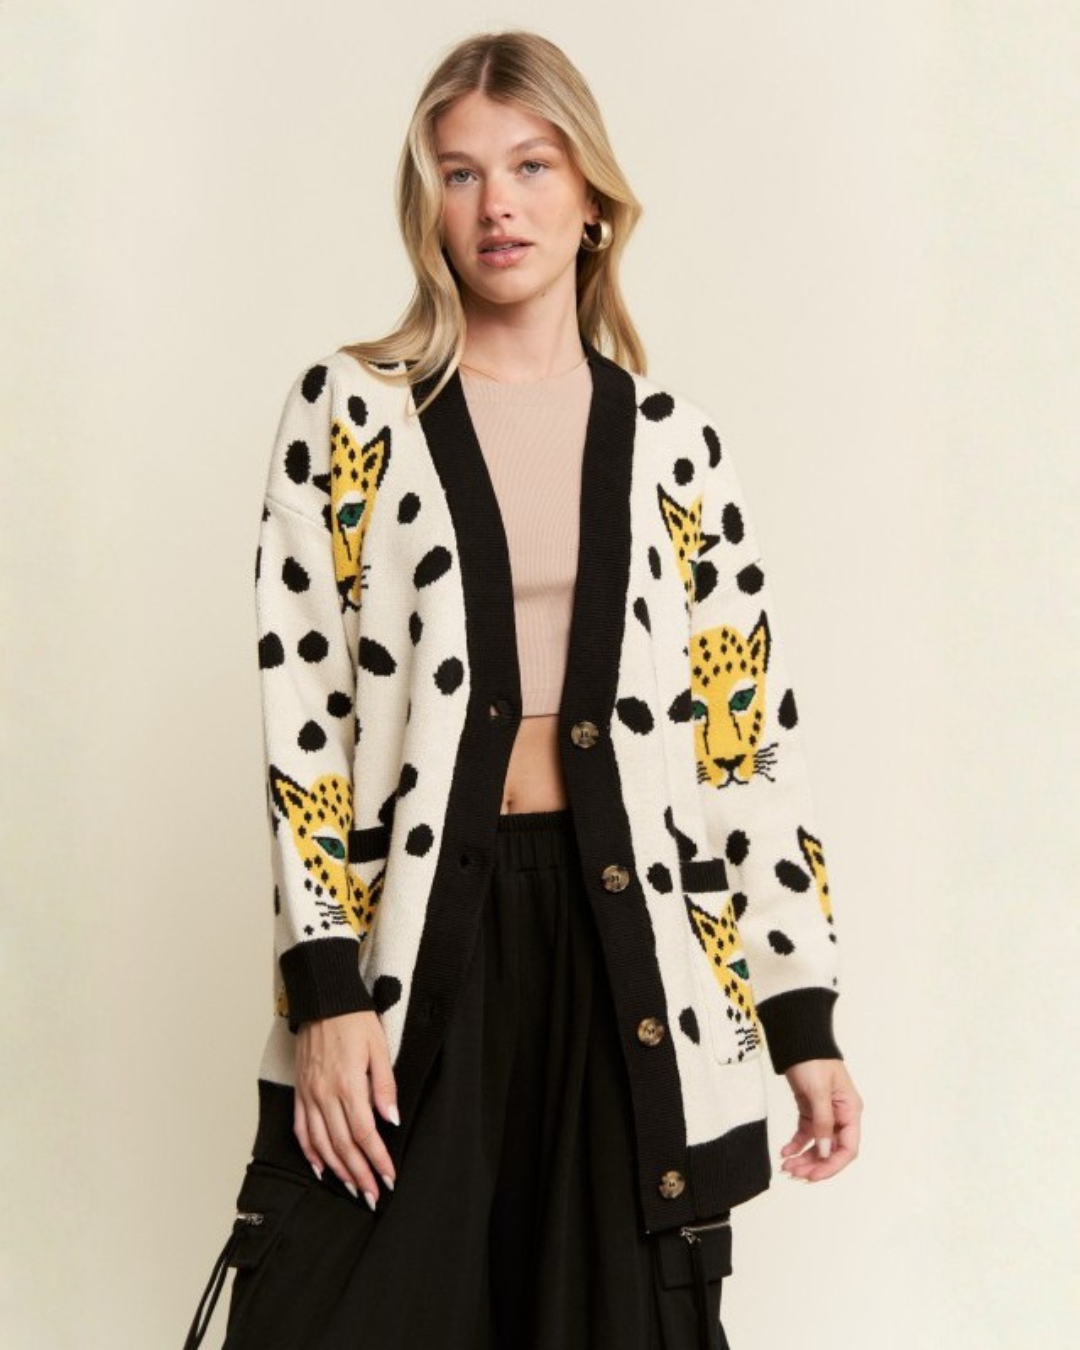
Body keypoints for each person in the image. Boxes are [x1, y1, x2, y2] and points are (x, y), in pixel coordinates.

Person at [182, 28, 863, 1350]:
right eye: (461, 172)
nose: (497, 203)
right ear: (427, 205)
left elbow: (743, 745)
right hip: (420, 934)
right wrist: (323, 990)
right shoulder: (350, 412)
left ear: (592, 196)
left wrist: (803, 1015)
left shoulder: (673, 443)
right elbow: (304, 712)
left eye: (533, 165)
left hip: (632, 956)